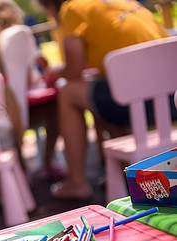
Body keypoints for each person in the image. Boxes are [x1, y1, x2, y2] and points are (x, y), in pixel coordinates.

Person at [38, 0, 170, 198]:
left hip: (144, 102)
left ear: (50, 6)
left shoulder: (72, 8)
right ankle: (128, 167)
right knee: (95, 90)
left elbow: (73, 70)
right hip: (171, 96)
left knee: (69, 93)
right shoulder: (122, 1)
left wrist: (57, 72)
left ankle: (77, 182)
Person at [0, 0, 62, 177]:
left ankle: (10, 182)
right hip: (2, 134)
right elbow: (41, 67)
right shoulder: (20, 33)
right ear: (16, 16)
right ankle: (48, 164)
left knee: (4, 112)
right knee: (54, 109)